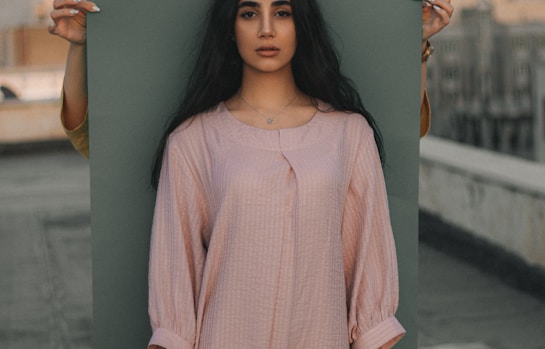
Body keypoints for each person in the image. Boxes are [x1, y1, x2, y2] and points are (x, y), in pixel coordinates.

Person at [49, 1, 453, 348]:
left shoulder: (349, 134)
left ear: (301, 24)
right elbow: (175, 280)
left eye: (281, 12)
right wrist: (80, 48)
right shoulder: (193, 140)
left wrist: (412, 41)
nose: (265, 29)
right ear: (230, 28)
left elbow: (370, 276)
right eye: (248, 13)